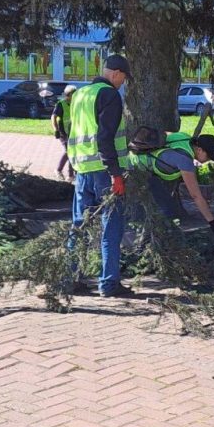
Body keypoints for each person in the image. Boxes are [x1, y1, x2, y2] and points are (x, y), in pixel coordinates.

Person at [67, 54, 131, 297]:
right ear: (115, 73)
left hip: (83, 170)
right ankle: (109, 283)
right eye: (123, 78)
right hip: (105, 172)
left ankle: (69, 278)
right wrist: (116, 174)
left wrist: (74, 165)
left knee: (79, 226)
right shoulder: (109, 95)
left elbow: (72, 132)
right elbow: (105, 138)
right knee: (111, 226)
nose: (123, 83)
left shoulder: (80, 94)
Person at [129, 132, 214, 242]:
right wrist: (213, 223)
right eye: (209, 156)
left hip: (134, 160)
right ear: (199, 149)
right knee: (167, 211)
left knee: (165, 206)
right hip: (136, 171)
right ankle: (147, 243)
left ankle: (149, 241)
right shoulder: (185, 162)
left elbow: (165, 133)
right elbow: (196, 196)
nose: (209, 160)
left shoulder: (184, 137)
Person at [51, 85, 77, 181]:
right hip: (63, 132)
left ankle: (71, 175)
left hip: (73, 132)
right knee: (69, 151)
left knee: (73, 152)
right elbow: (53, 117)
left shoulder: (76, 104)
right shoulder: (61, 104)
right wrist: (56, 130)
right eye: (72, 94)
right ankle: (59, 171)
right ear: (67, 95)